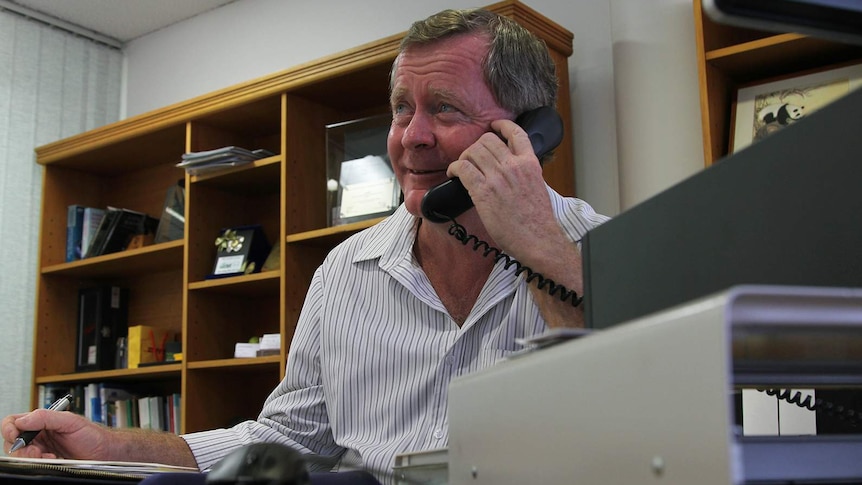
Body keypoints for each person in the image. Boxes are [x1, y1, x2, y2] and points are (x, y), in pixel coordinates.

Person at [2, 7, 607, 484]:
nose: (411, 138)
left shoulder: (605, 247)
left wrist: (536, 245)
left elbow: (647, 406)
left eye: (443, 108)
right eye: (401, 110)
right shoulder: (346, 271)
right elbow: (289, 443)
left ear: (529, 131)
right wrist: (113, 444)